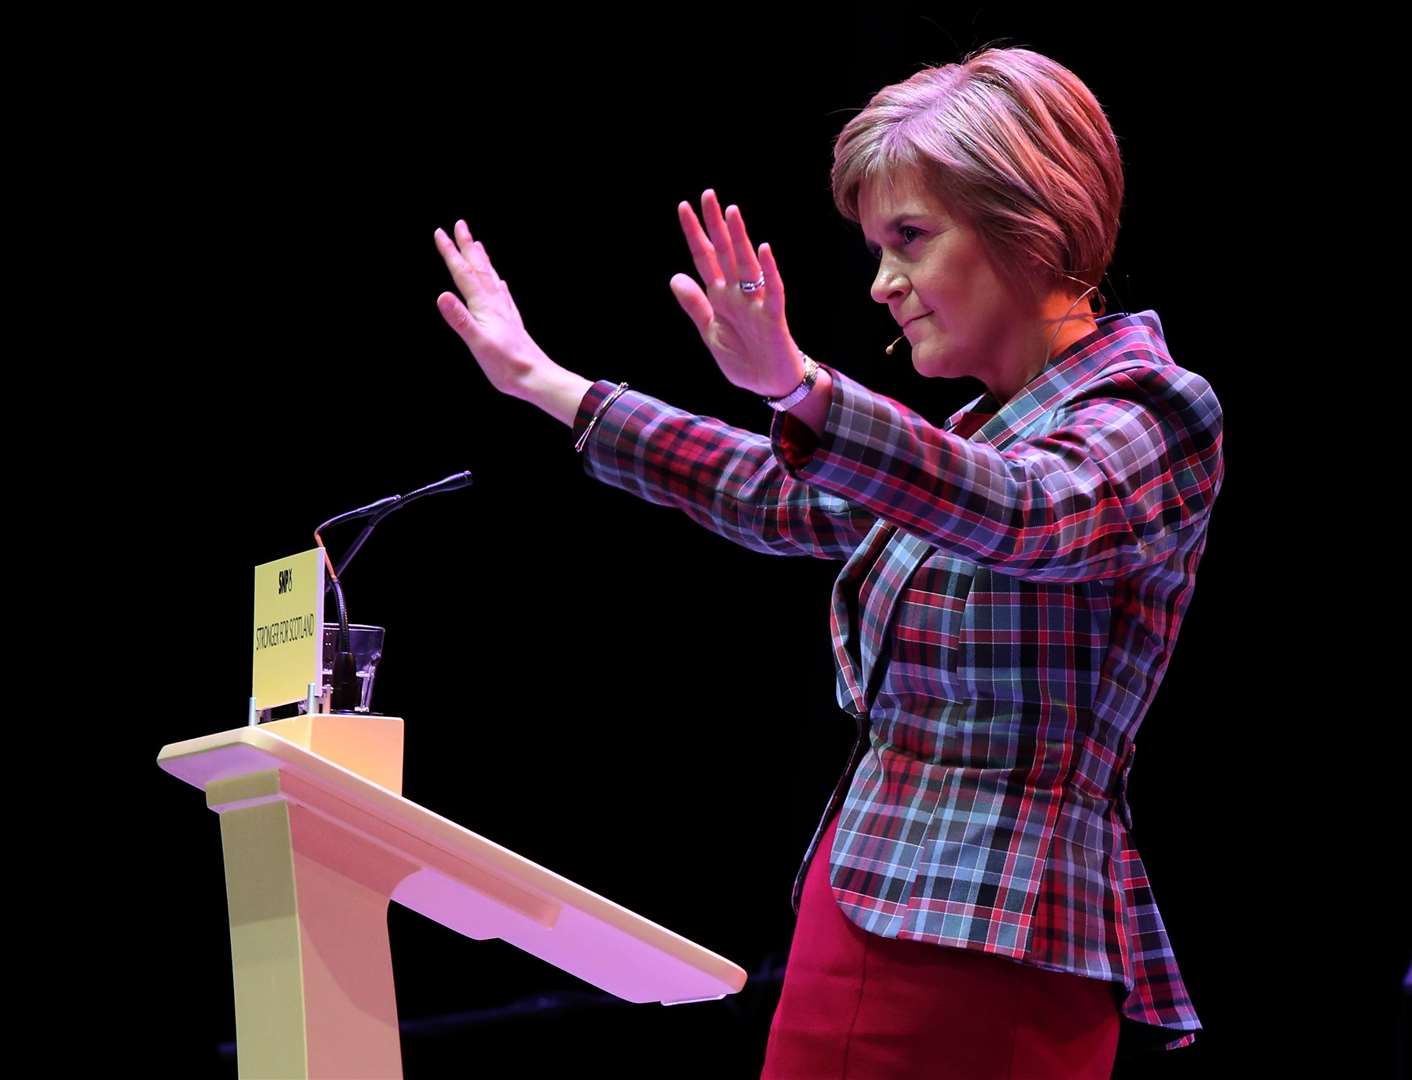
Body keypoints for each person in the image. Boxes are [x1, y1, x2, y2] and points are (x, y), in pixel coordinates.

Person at [433, 45, 1223, 1079]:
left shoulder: (1151, 412)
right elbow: (770, 492)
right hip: (871, 912)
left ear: (1026, 223)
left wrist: (802, 386)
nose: (882, 283)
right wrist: (545, 383)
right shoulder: (980, 436)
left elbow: (1029, 516)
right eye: (874, 246)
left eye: (908, 238)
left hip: (986, 942)